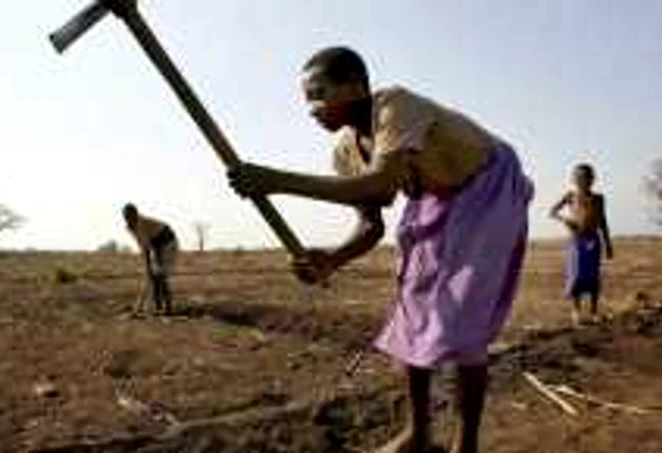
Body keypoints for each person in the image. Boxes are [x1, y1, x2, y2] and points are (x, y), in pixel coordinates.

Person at [228, 46, 533, 453]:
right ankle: (419, 434)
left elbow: (381, 184)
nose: (312, 109)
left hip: (487, 183)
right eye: (307, 101)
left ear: (355, 87)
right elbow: (371, 224)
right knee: (410, 313)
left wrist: (275, 181)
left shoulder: (394, 105)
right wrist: (331, 260)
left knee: (463, 318)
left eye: (319, 94)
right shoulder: (345, 151)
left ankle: (467, 444)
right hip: (435, 197)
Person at [550, 163, 613, 325]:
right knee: (576, 275)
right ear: (574, 179)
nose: (582, 180)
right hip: (576, 241)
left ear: (592, 179)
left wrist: (608, 244)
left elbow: (603, 222)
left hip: (593, 240)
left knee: (593, 276)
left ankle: (593, 311)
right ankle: (576, 311)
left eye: (586, 177)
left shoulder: (598, 198)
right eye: (579, 177)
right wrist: (566, 220)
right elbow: (552, 212)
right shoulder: (570, 196)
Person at [122, 203, 178, 315]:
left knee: (160, 275)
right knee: (154, 276)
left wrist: (148, 267)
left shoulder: (140, 223)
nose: (128, 219)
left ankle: (168, 308)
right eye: (126, 217)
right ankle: (158, 307)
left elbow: (146, 247)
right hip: (156, 246)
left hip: (168, 242)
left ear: (136, 214)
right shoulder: (130, 227)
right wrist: (148, 267)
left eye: (130, 216)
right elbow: (143, 245)